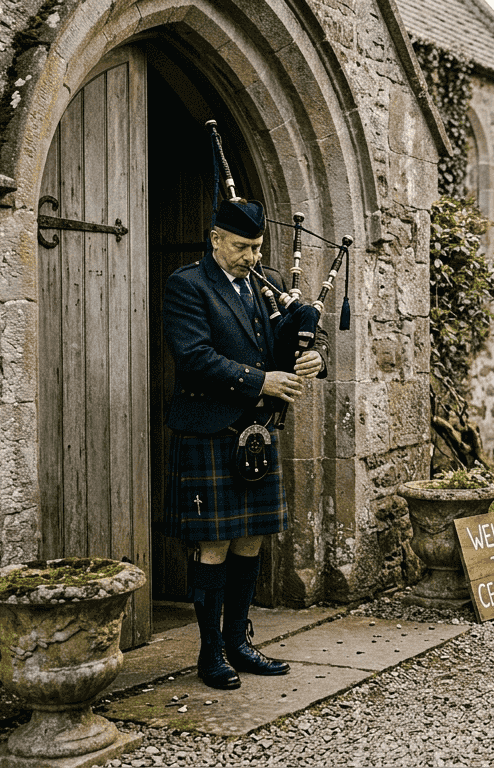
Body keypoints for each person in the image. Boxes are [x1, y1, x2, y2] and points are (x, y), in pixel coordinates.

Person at [162, 195, 326, 691]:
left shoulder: (270, 284)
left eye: (256, 247)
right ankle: (210, 653)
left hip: (257, 435)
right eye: (240, 247)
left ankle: (239, 642)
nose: (251, 257)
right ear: (215, 239)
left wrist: (313, 360)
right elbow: (194, 358)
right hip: (210, 430)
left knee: (252, 536)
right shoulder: (186, 285)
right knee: (213, 543)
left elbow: (293, 342)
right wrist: (261, 382)